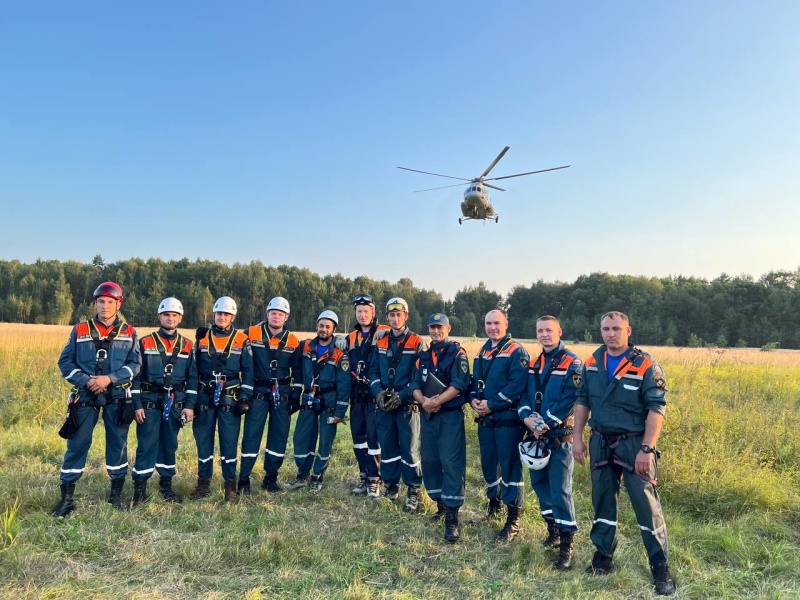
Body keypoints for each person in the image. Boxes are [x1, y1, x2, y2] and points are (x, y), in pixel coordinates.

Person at [573, 311, 676, 595]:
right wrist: (577, 439)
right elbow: (582, 400)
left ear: (628, 331)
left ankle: (659, 566)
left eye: (616, 328)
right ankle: (603, 557)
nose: (610, 334)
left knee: (646, 506)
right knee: (603, 502)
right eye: (605, 329)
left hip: (635, 445)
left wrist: (647, 448)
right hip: (600, 442)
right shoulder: (592, 362)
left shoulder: (645, 365)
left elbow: (657, 409)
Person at [52, 282, 141, 517]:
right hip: (85, 395)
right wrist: (85, 381)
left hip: (117, 397)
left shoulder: (129, 331)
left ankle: (115, 496)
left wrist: (109, 379)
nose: (105, 306)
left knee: (118, 444)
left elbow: (135, 364)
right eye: (101, 301)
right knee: (77, 444)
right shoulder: (80, 329)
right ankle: (67, 499)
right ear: (95, 303)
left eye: (110, 302)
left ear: (118, 304)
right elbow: (65, 362)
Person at [518, 315, 582, 569]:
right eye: (540, 330)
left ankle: (567, 544)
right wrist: (526, 419)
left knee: (561, 489)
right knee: (540, 485)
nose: (544, 334)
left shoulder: (573, 363)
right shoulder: (534, 363)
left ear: (559, 331)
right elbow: (523, 396)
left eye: (549, 330)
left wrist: (544, 422)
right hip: (535, 435)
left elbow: (570, 399)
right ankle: (553, 530)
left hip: (559, 437)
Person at [130, 297, 198, 505]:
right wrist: (137, 405)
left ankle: (166, 487)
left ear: (180, 318)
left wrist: (189, 406)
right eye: (167, 314)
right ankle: (140, 490)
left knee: (169, 445)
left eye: (175, 315)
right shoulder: (145, 342)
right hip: (149, 403)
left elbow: (193, 378)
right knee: (146, 445)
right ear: (160, 316)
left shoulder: (188, 345)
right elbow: (136, 377)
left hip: (175, 403)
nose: (170, 318)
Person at [410, 313, 471, 542]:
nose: (436, 331)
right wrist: (424, 401)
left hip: (449, 416)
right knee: (431, 461)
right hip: (428, 415)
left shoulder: (457, 354)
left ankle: (453, 517)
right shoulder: (423, 356)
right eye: (432, 327)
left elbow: (459, 384)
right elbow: (414, 384)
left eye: (440, 327)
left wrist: (437, 401)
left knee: (451, 463)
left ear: (448, 328)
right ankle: (440, 505)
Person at [470, 309, 529, 542]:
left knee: (511, 470)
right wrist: (473, 399)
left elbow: (517, 385)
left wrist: (492, 404)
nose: (492, 327)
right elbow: (475, 382)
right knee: (488, 465)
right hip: (486, 421)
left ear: (506, 324)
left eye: (497, 323)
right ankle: (494, 504)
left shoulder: (516, 351)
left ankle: (512, 520)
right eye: (488, 323)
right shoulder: (482, 350)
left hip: (507, 422)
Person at [186, 296, 253, 502]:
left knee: (229, 443)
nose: (222, 317)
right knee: (203, 442)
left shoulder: (242, 340)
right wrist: (193, 400)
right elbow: (193, 370)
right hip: (205, 396)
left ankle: (230, 486)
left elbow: (249, 371)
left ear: (232, 317)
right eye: (219, 314)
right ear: (213, 315)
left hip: (230, 400)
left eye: (226, 314)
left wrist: (244, 398)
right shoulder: (202, 338)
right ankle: (203, 483)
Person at [240, 297, 303, 494]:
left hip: (282, 395)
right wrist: (205, 336)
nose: (276, 316)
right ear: (267, 314)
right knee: (251, 435)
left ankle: (270, 477)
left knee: (279, 437)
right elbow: (229, 338)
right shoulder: (251, 334)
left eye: (280, 314)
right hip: (257, 392)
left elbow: (299, 371)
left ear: (286, 317)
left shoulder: (293, 341)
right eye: (273, 313)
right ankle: (243, 479)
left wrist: (295, 394)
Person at [369, 297, 423, 510]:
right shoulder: (380, 340)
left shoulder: (417, 342)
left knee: (410, 449)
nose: (395, 318)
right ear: (387, 317)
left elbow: (419, 376)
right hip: (383, 405)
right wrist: (378, 393)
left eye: (398, 314)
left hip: (406, 406)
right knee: (388, 446)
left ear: (406, 316)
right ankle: (391, 486)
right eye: (391, 314)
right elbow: (373, 370)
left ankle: (413, 489)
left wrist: (403, 395)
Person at [288, 310, 351, 492]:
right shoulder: (305, 346)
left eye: (328, 327)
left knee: (325, 440)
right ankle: (302, 474)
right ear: (316, 326)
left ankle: (317, 476)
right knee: (301, 437)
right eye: (321, 325)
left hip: (329, 401)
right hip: (308, 398)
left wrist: (340, 412)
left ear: (334, 329)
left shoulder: (340, 354)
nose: (324, 329)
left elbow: (345, 384)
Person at [346, 293, 389, 497]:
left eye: (366, 311)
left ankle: (375, 479)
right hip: (356, 396)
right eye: (359, 311)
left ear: (373, 313)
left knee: (374, 438)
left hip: (374, 396)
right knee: (358, 438)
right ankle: (363, 476)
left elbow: (401, 337)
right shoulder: (351, 337)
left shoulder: (384, 332)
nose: (362, 315)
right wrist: (338, 343)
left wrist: (387, 333)